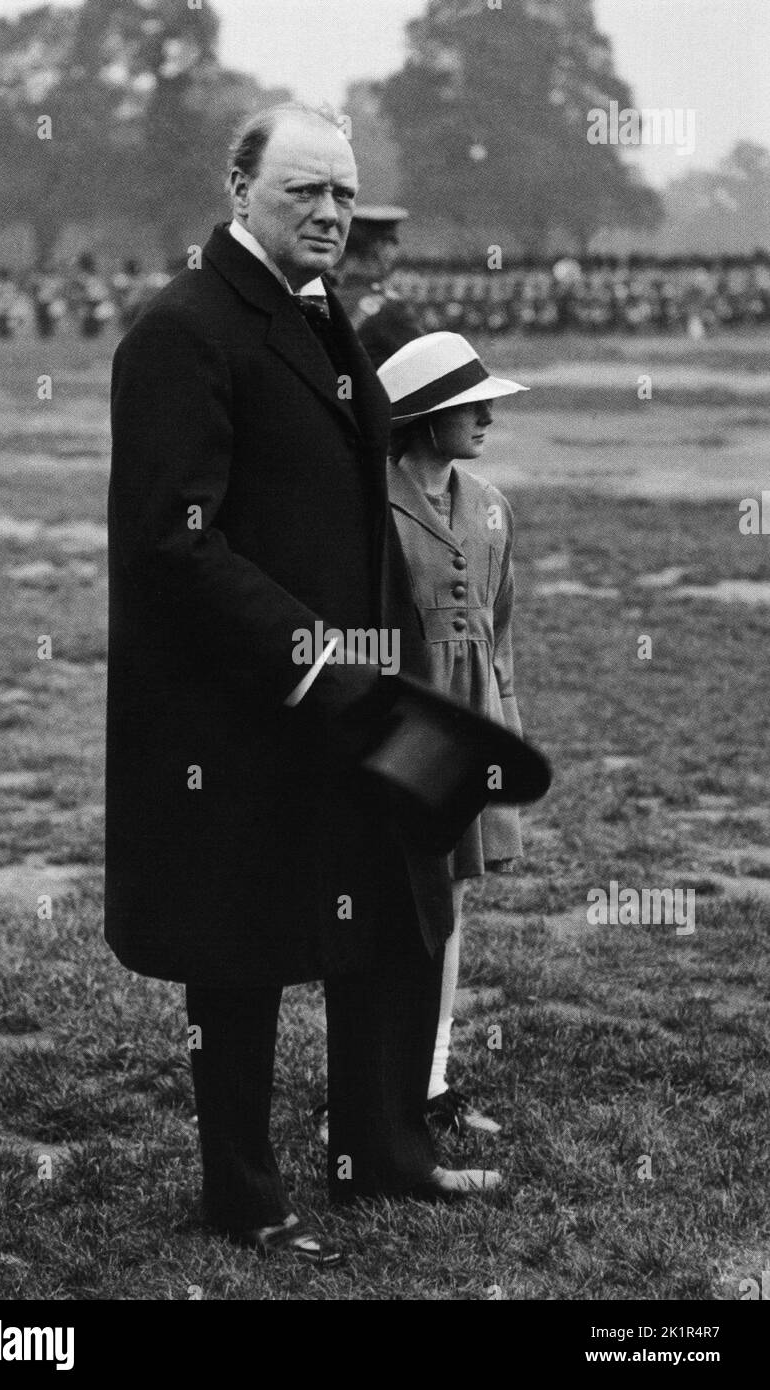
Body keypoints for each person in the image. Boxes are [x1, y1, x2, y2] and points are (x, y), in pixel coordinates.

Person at [105, 102, 500, 1270]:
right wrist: (312, 652)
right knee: (239, 954)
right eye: (302, 192)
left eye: (342, 191)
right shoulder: (182, 330)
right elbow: (176, 540)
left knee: (387, 908)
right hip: (239, 711)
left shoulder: (321, 320)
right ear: (239, 189)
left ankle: (379, 1149)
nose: (329, 212)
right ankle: (244, 1195)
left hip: (358, 696)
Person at [378, 331, 529, 1135]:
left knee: (452, 904)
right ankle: (368, 1087)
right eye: (466, 406)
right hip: (401, 733)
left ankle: (429, 1082)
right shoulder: (368, 507)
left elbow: (498, 637)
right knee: (390, 907)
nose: (485, 419)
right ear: (420, 418)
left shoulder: (493, 507)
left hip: (471, 732)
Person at [334, 205, 423, 368]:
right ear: (380, 247)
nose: (395, 252)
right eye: (393, 242)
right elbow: (427, 364)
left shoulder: (325, 297)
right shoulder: (389, 308)